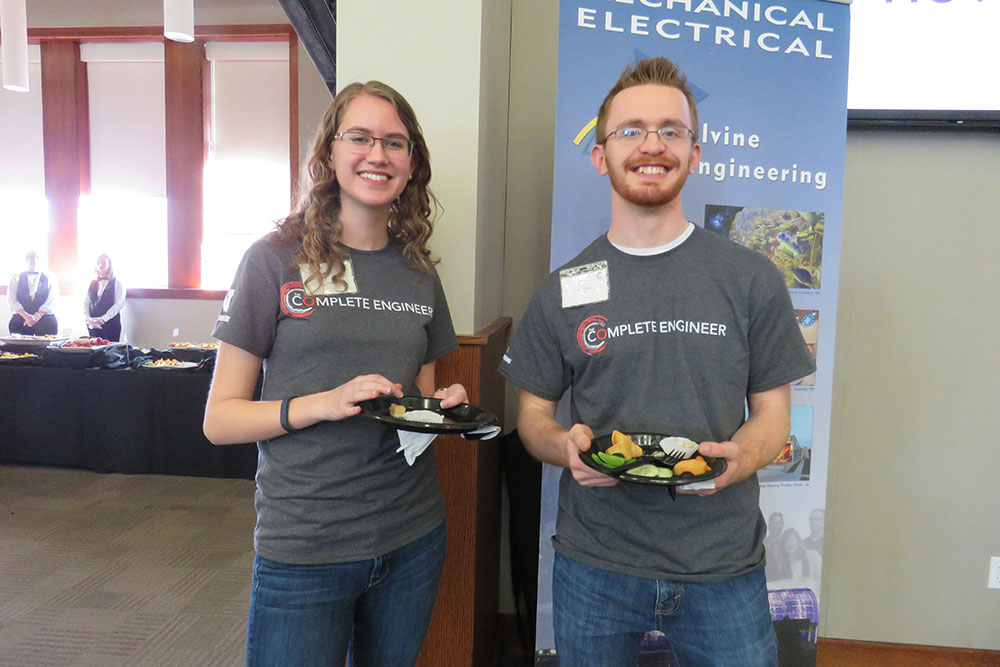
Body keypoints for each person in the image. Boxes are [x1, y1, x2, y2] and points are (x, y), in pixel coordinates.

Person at [499, 57, 815, 666]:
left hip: (721, 563)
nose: (652, 145)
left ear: (695, 154)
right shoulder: (562, 290)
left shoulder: (751, 279)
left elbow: (775, 416)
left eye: (671, 131)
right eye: (631, 130)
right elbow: (533, 415)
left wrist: (741, 458)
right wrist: (563, 444)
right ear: (600, 154)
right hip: (596, 564)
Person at [203, 80, 466, 667]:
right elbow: (219, 421)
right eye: (361, 138)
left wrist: (438, 408)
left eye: (395, 143)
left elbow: (413, 404)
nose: (378, 155)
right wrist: (321, 403)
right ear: (329, 152)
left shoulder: (419, 272)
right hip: (307, 542)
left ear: (411, 162)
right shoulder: (273, 259)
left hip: (411, 534)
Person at [7, 250, 59, 336]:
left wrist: (37, 316)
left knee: (48, 332)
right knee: (16, 331)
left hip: (44, 318)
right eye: (31, 257)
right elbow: (12, 299)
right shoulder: (16, 277)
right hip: (21, 317)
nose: (34, 260)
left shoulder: (50, 277)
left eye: (37, 257)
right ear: (26, 259)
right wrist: (26, 316)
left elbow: (52, 299)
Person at [83, 253, 126, 341]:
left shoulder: (117, 282)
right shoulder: (92, 282)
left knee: (110, 352)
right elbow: (86, 302)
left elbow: (118, 304)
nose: (101, 265)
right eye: (98, 262)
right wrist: (88, 319)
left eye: (104, 262)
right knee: (94, 352)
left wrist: (103, 319)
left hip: (111, 325)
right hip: (93, 325)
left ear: (110, 264)